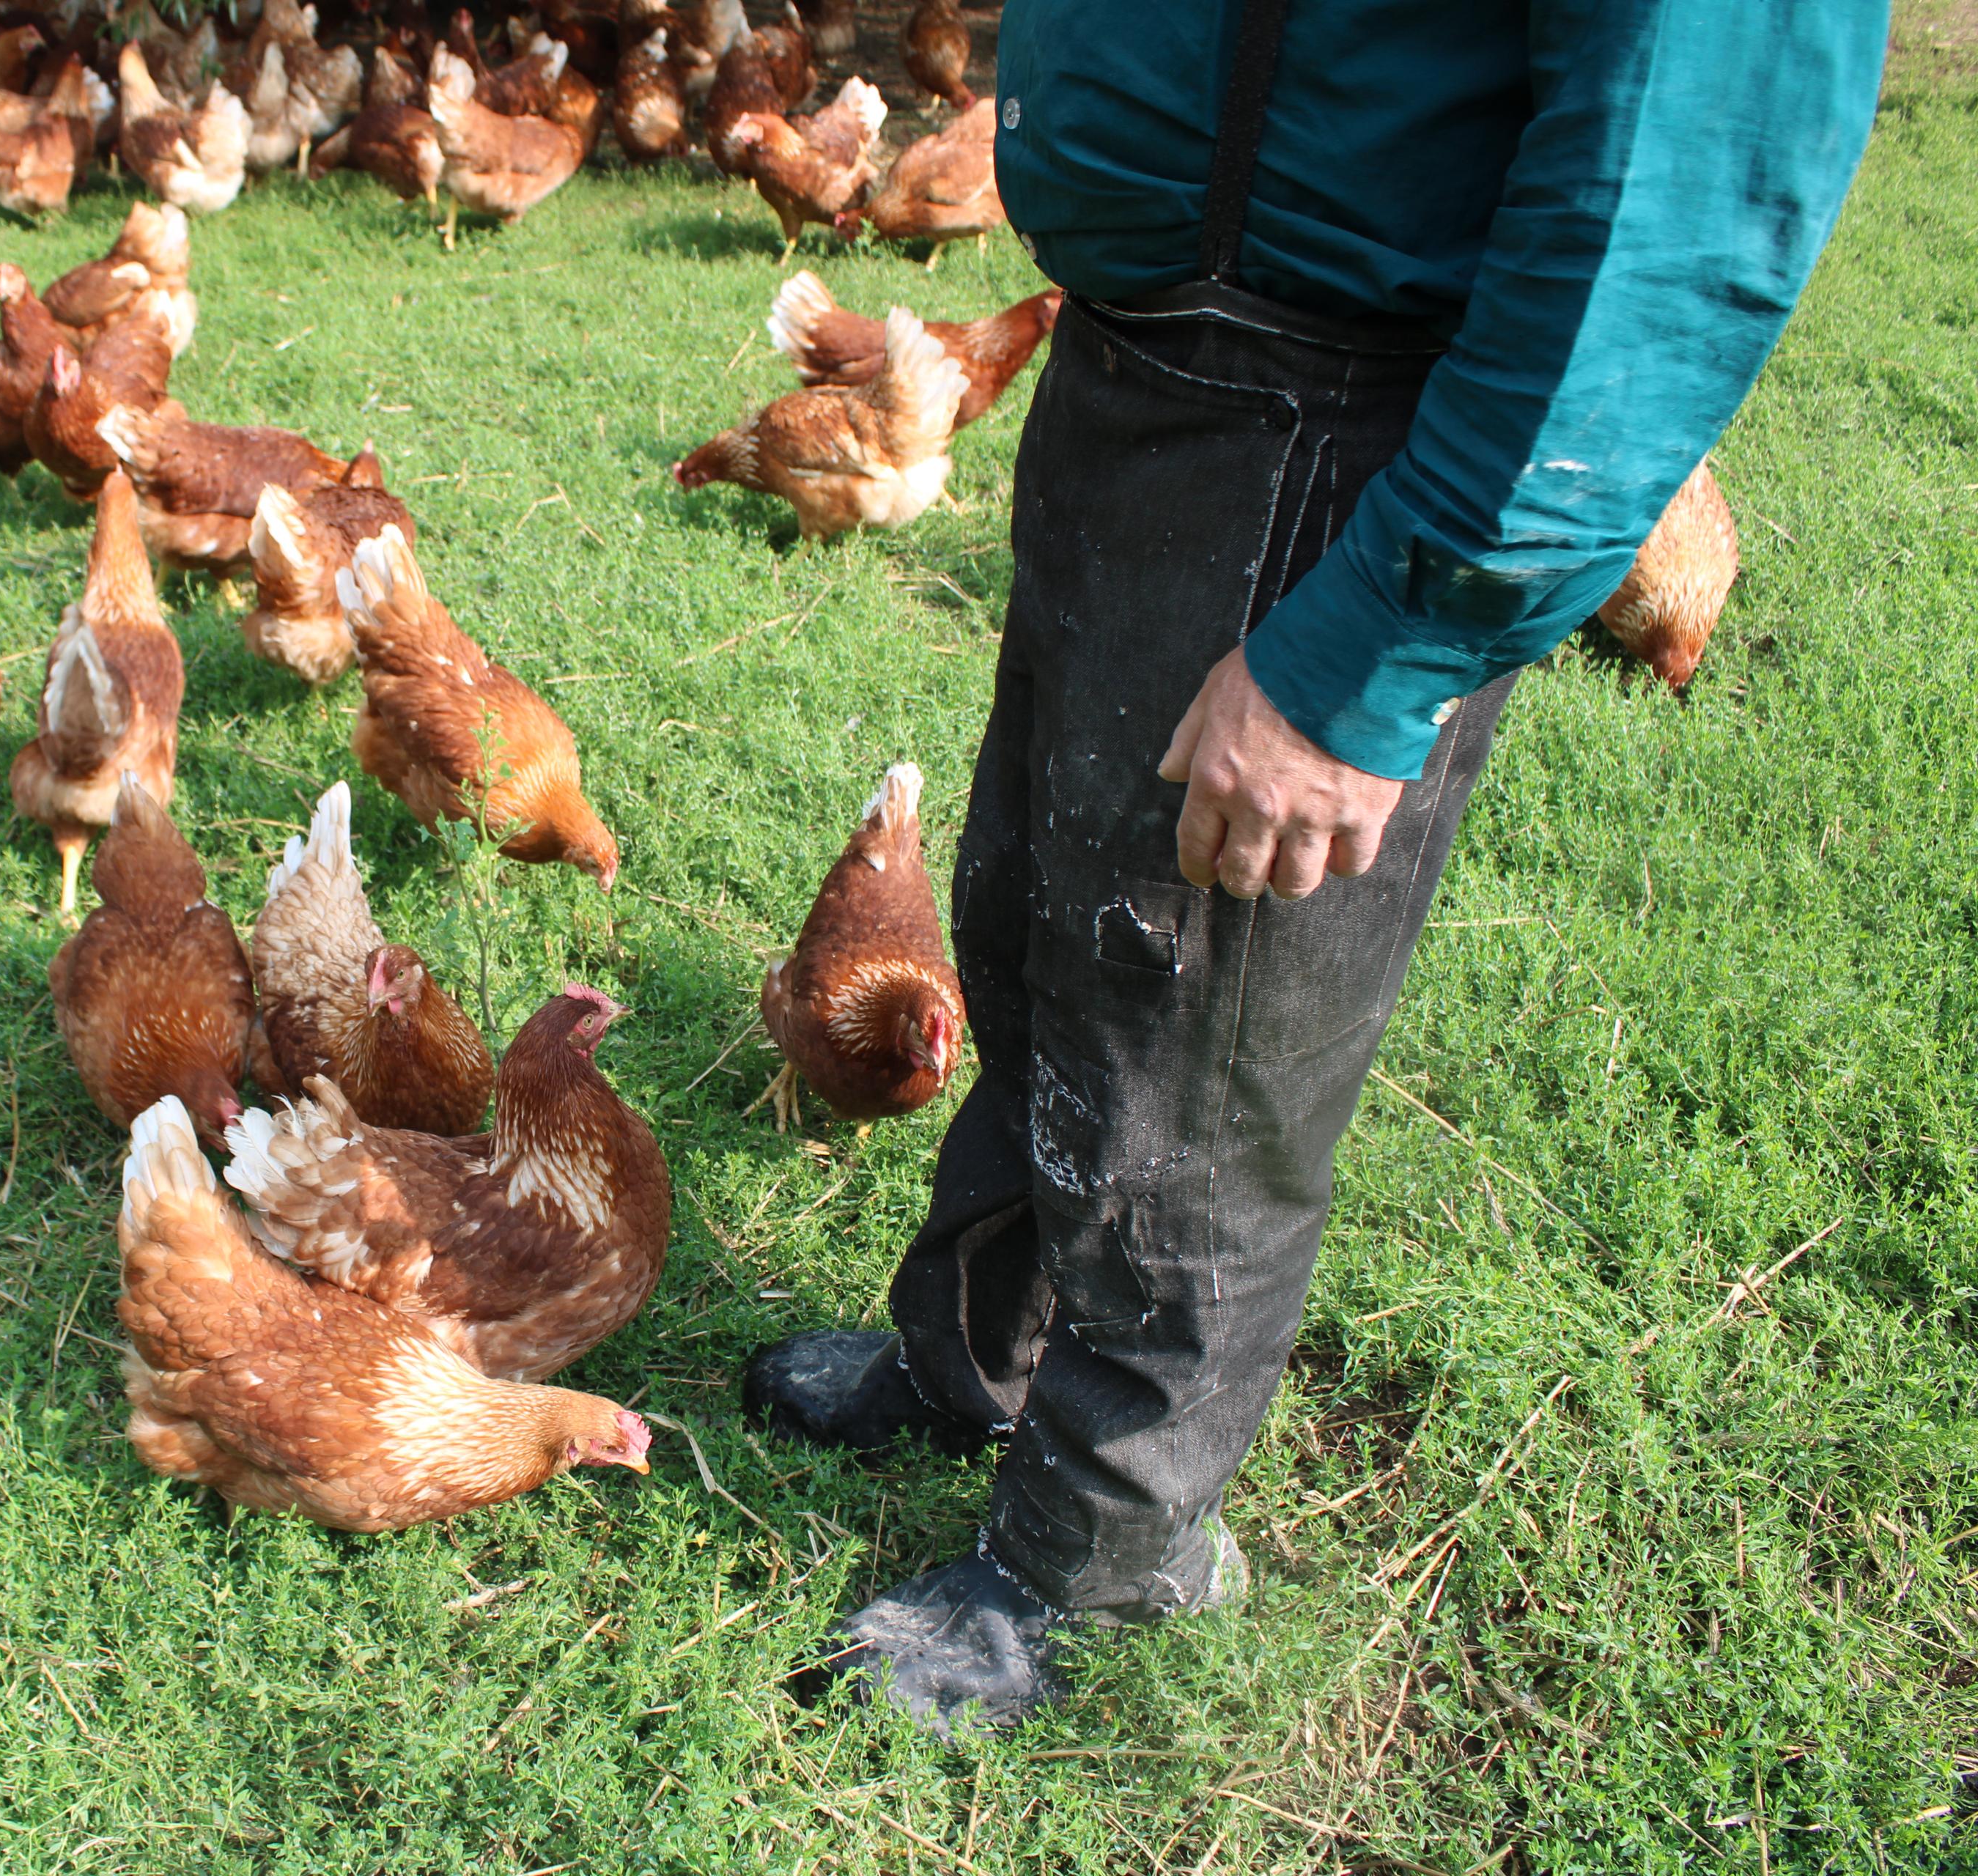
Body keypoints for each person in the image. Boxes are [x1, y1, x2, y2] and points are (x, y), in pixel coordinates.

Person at [739, 0, 1889, 1734]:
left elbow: (1679, 180)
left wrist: (1379, 646)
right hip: (1143, 369)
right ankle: (978, 1358)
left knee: (1190, 1031)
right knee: (1042, 928)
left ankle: (1103, 1556)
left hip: (1334, 427)